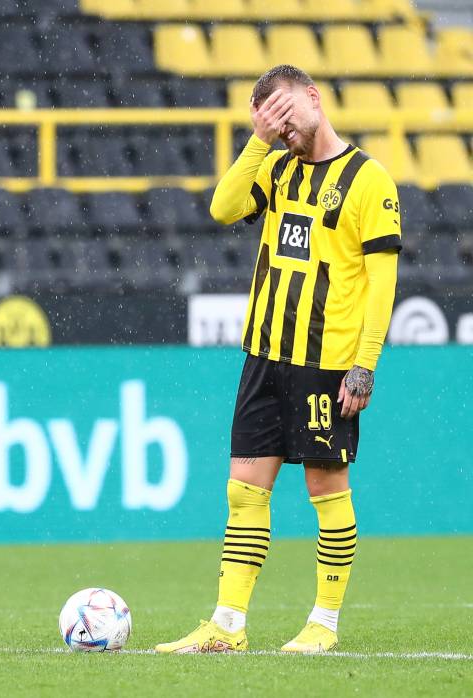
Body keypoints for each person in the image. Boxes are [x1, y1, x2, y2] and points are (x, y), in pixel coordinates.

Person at [157, 64, 400, 654]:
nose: (283, 126)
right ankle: (228, 626)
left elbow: (381, 282)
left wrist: (364, 364)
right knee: (244, 491)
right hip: (264, 356)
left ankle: (324, 622)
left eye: (286, 111)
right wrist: (258, 141)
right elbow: (221, 207)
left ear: (314, 96)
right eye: (270, 119)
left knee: (326, 488)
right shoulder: (276, 165)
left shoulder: (370, 181)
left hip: (327, 362)